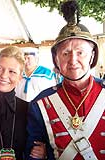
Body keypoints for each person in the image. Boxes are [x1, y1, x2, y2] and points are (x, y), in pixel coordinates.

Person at [26, 0, 104, 159]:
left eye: (80, 52)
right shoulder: (41, 103)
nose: (73, 60)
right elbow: (32, 154)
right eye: (65, 53)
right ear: (56, 59)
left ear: (92, 55)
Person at [0, 46, 46, 160]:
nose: (4, 75)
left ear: (20, 77)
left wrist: (44, 151)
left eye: (12, 71)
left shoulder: (29, 110)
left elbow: (41, 142)